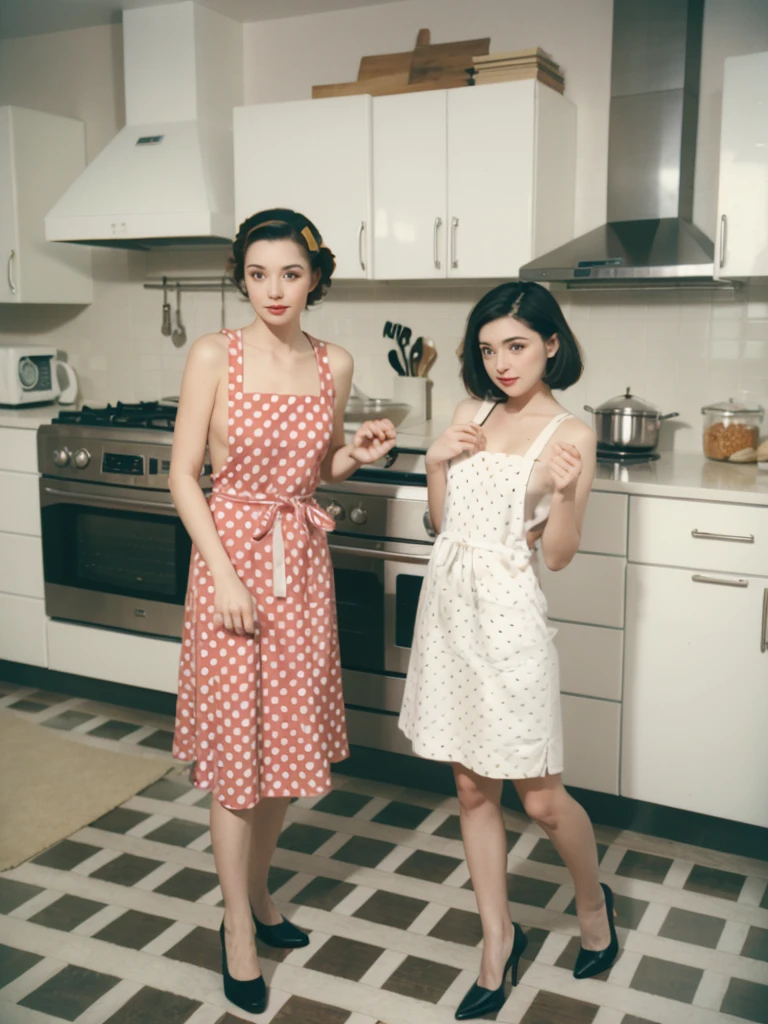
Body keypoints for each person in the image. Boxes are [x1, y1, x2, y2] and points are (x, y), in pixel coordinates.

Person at [170, 209, 396, 1014]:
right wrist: (223, 576)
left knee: (283, 749)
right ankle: (237, 924)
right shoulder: (213, 355)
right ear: (243, 276)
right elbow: (183, 476)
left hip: (299, 565)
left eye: (290, 274)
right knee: (237, 757)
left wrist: (355, 457)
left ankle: (260, 894)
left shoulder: (333, 362)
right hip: (228, 564)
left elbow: (319, 464)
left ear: (315, 278)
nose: (274, 289)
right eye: (259, 273)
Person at [399, 281, 619, 1021]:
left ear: (552, 345)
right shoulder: (470, 414)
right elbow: (443, 524)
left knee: (544, 800)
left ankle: (593, 907)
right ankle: (498, 941)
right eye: (489, 348)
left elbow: (556, 558)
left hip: (511, 623)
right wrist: (434, 462)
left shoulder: (573, 436)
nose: (501, 362)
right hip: (451, 616)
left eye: (517, 346)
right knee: (470, 791)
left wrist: (561, 496)